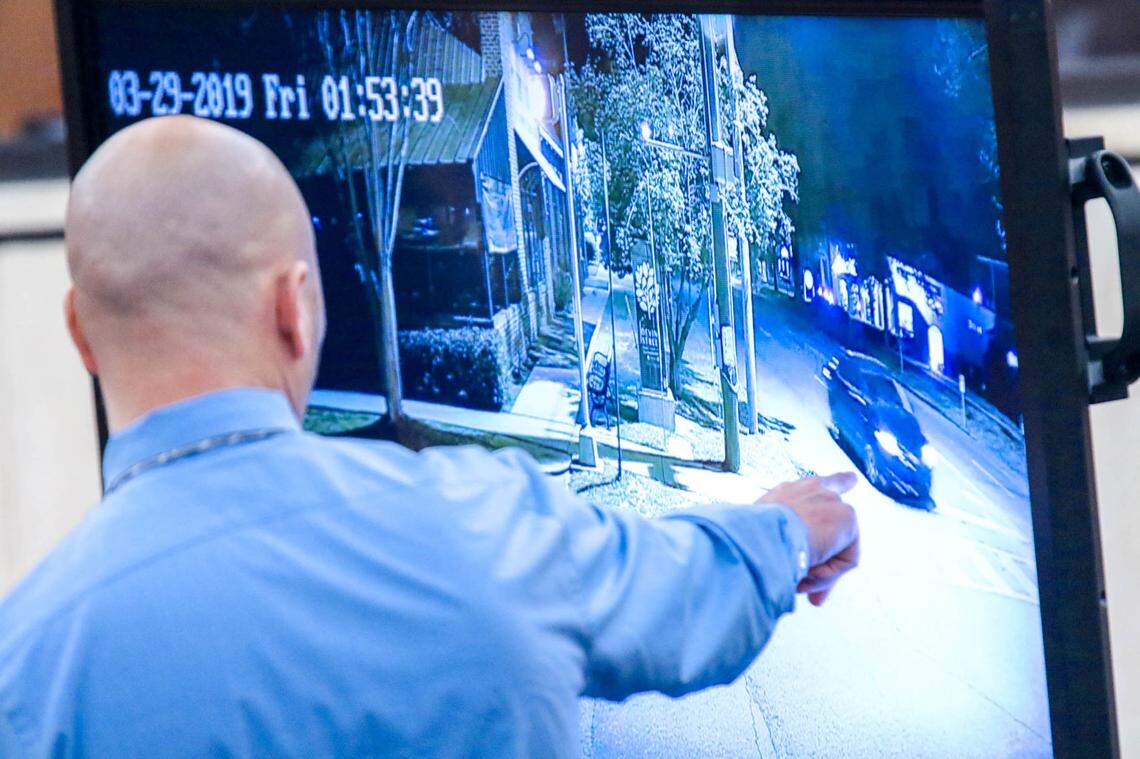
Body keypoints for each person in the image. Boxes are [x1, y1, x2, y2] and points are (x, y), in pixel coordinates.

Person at [0, 116, 859, 757]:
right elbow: (684, 596)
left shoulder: (24, 669)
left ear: (80, 331)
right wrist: (790, 526)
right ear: (294, 307)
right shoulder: (490, 524)